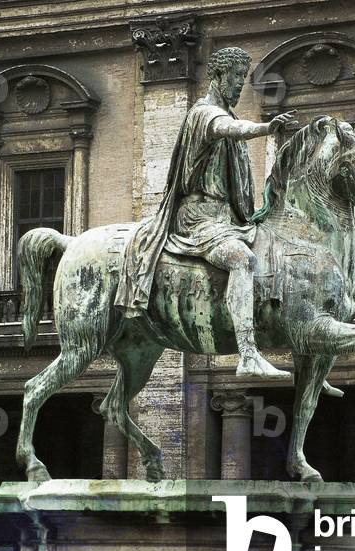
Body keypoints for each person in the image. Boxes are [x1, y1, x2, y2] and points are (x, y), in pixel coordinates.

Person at [115, 46, 297, 379]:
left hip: (226, 219)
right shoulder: (204, 113)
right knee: (242, 260)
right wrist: (267, 128)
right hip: (199, 219)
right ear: (217, 75)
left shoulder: (223, 111)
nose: (239, 85)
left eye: (243, 78)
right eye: (235, 77)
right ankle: (247, 353)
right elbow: (229, 129)